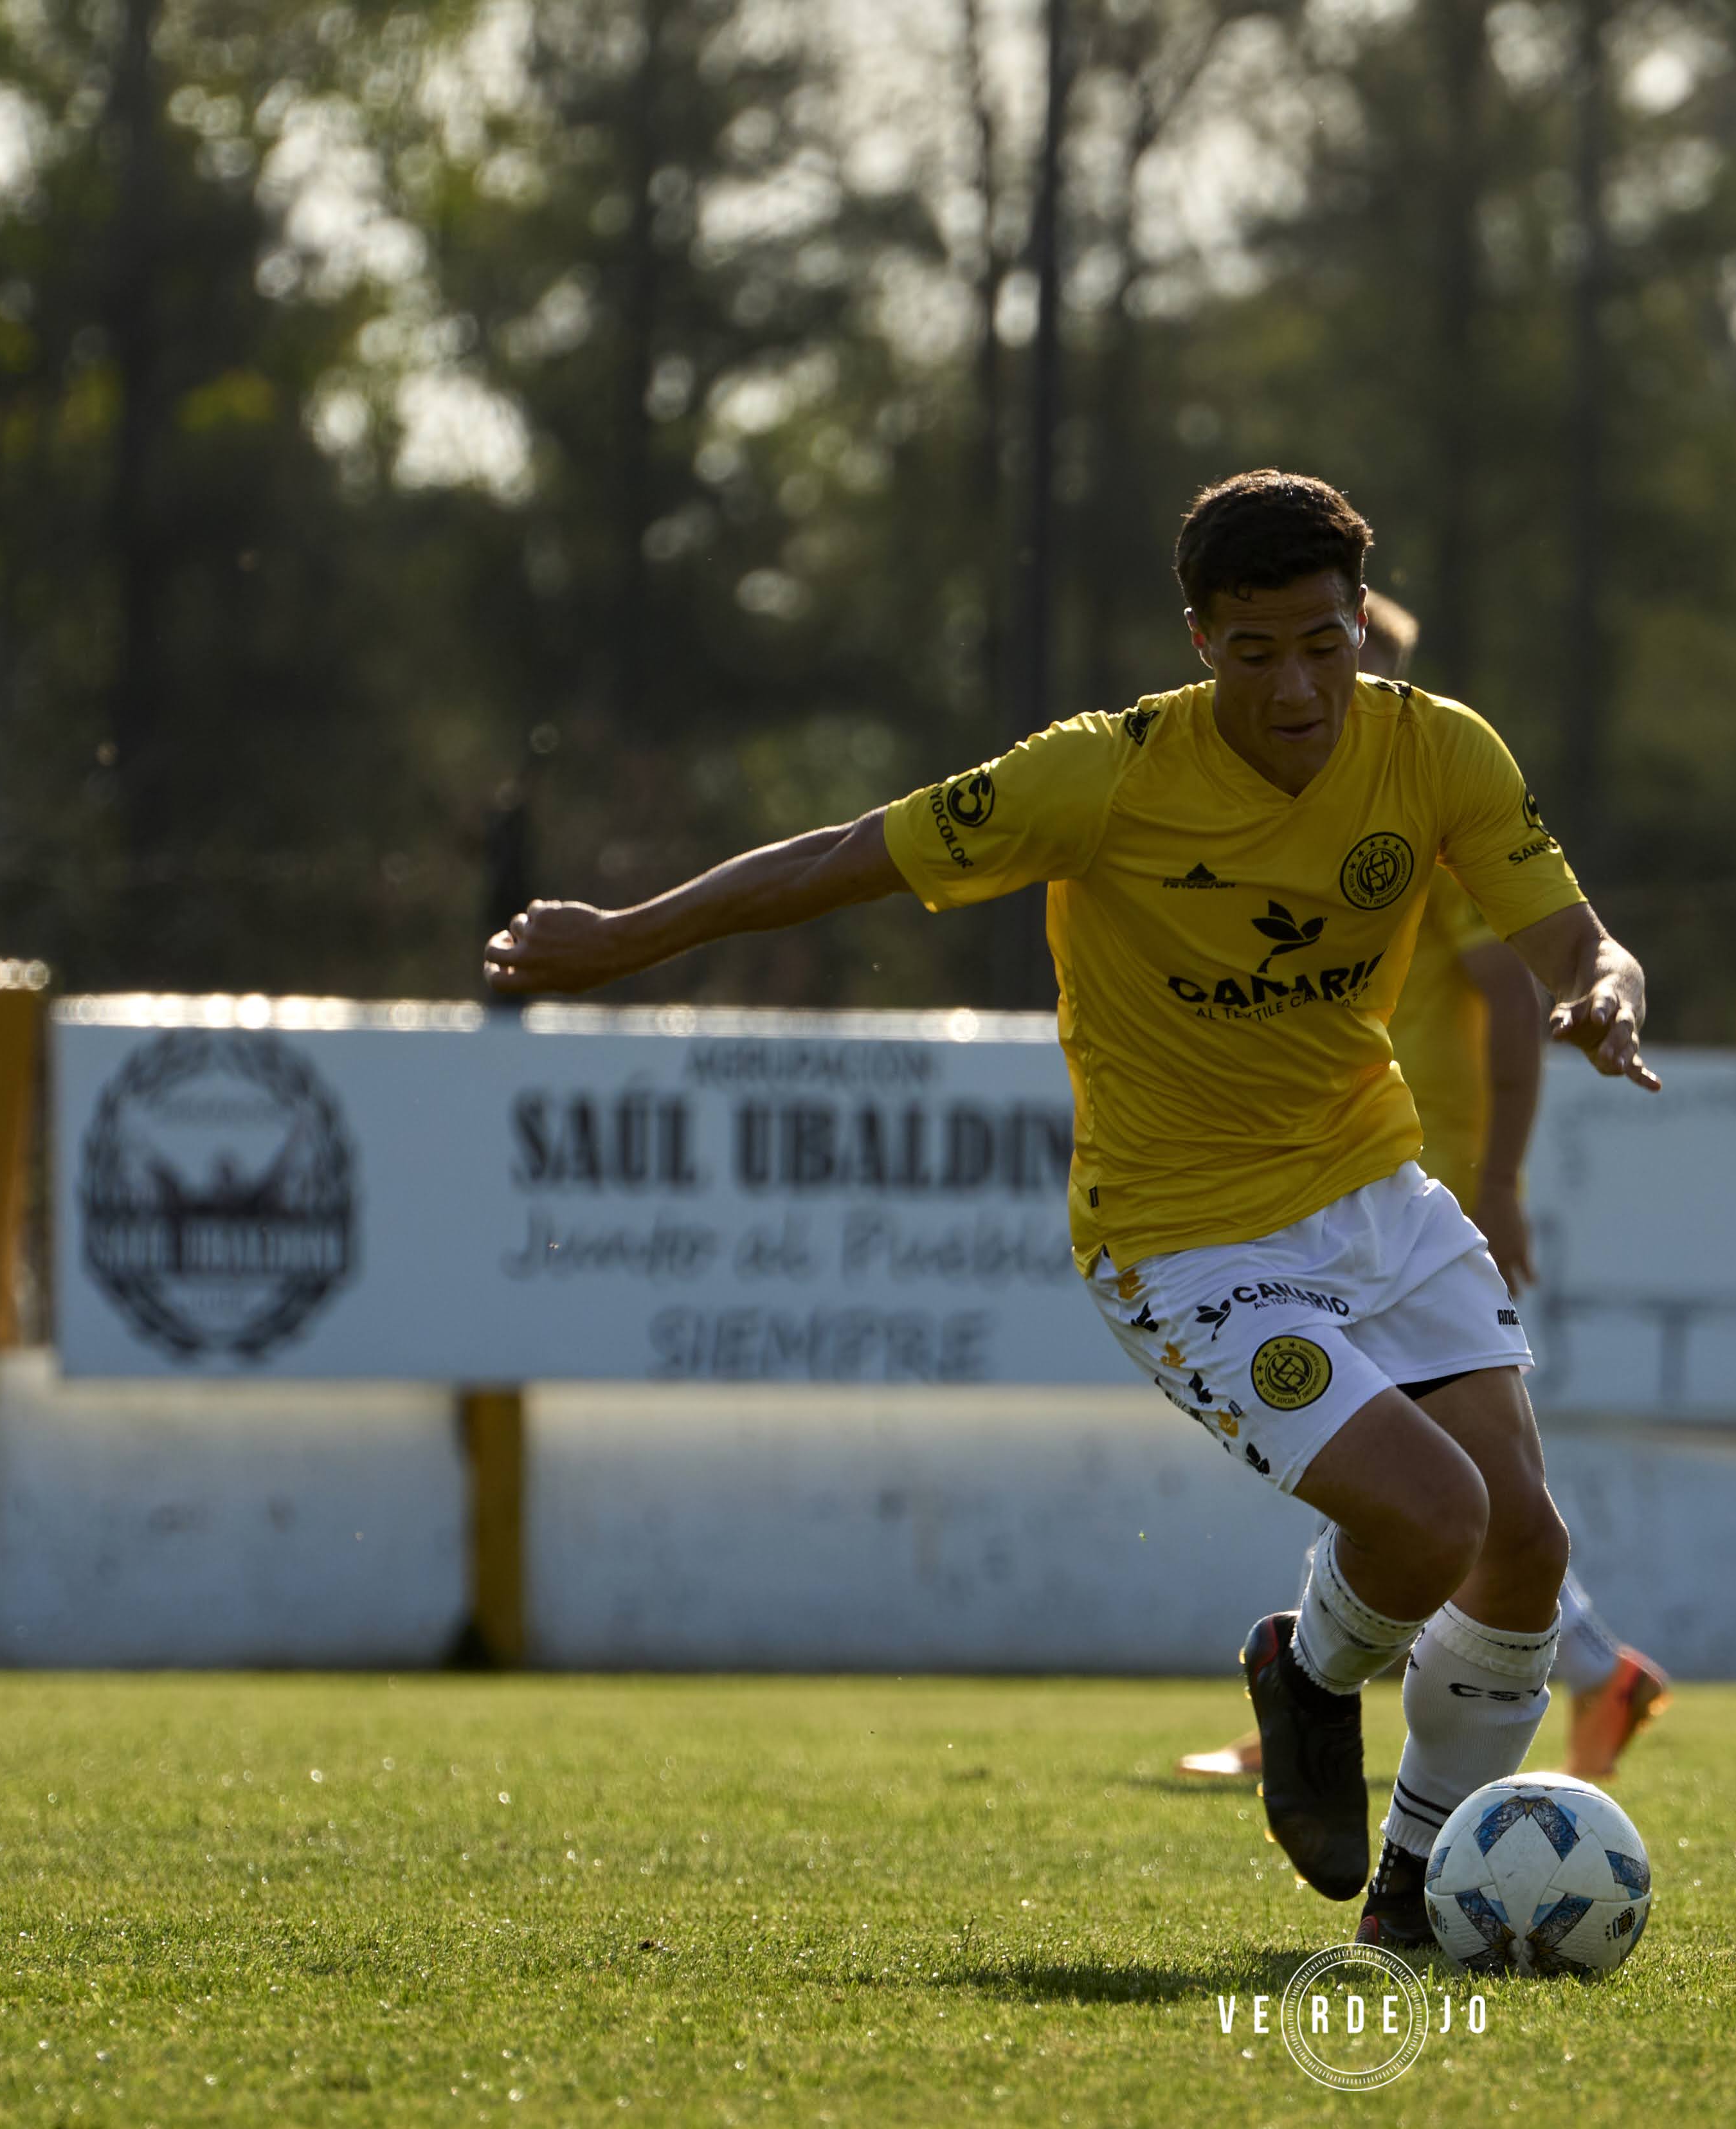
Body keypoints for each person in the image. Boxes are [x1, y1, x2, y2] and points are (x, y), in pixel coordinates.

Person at [482, 470, 1659, 1953]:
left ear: (1362, 622)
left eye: (1325, 645)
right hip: (1189, 1239)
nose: (1298, 688)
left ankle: (1412, 1895)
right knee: (1433, 1519)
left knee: (1524, 1547)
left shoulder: (1439, 750)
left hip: (1376, 1191)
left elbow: (1577, 941)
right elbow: (844, 856)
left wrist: (1604, 992)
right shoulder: (1101, 775)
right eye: (1255, 653)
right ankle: (1309, 1674)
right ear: (1199, 642)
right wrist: (626, 936)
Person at [1172, 590, 1668, 1790]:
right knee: (1411, 1476)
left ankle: (1361, 1691)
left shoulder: (1420, 822)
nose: (1302, 701)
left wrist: (1495, 1180)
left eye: (1335, 661)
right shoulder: (1300, 814)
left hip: (1403, 1180)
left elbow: (1510, 998)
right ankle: (1362, 1690)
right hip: (1342, 1172)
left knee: (1413, 1477)